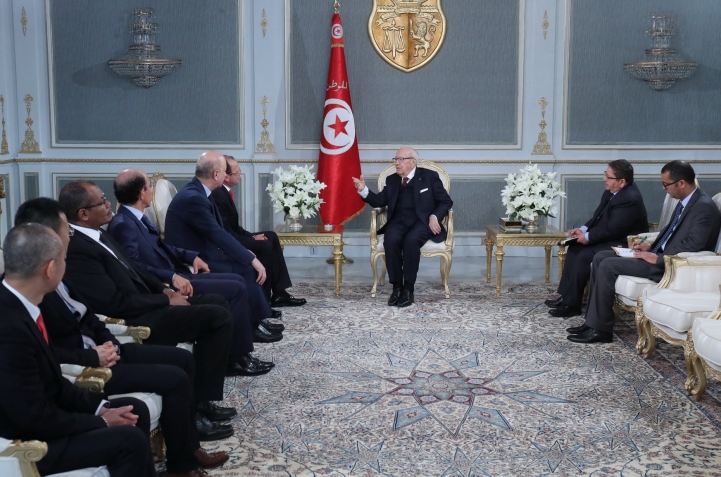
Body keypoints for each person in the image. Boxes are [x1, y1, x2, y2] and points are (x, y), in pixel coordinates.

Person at [15, 198, 236, 450]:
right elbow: (107, 306)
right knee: (195, 344)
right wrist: (94, 356)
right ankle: (187, 452)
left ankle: (193, 437)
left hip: (110, 344)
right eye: (68, 230)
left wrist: (162, 293)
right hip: (105, 347)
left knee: (188, 351)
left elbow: (89, 313)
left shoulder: (87, 246)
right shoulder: (38, 284)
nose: (71, 235)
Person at [57, 180, 238, 426]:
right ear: (83, 214)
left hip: (149, 301)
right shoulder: (78, 249)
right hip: (137, 316)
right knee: (216, 317)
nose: (109, 204)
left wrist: (166, 289)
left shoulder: (100, 234)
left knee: (217, 302)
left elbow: (136, 270)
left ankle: (204, 400)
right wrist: (164, 299)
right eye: (102, 202)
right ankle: (197, 408)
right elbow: (113, 303)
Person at [0, 223, 156, 477]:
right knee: (129, 441)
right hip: (25, 443)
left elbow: (54, 383)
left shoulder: (22, 305)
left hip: (44, 417)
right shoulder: (8, 328)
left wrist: (100, 408)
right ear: (50, 269)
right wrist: (101, 421)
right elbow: (32, 417)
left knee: (132, 409)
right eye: (64, 259)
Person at [108, 169, 282, 373]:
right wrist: (172, 277)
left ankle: (240, 351)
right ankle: (235, 358)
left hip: (178, 272)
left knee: (237, 280)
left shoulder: (135, 218)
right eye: (149, 186)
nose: (152, 190)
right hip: (168, 283)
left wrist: (191, 256)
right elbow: (134, 267)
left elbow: (162, 246)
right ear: (141, 193)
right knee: (236, 288)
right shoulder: (124, 224)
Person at [567, 161, 721, 344]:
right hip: (658, 255)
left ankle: (600, 330)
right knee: (600, 256)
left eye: (666, 184)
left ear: (681, 183)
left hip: (670, 267)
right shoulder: (686, 202)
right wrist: (650, 247)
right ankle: (592, 323)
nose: (663, 188)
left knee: (607, 265)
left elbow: (693, 246)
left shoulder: (703, 207)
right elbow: (672, 235)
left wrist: (657, 257)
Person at [163, 151, 274, 323]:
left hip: (205, 252)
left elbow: (219, 232)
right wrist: (251, 258)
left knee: (246, 264)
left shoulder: (200, 191)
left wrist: (245, 253)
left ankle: (257, 320)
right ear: (216, 174)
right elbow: (218, 234)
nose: (226, 175)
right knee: (246, 267)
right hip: (194, 260)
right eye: (224, 171)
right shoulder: (194, 198)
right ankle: (255, 323)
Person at [352, 147, 453, 307]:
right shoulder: (392, 180)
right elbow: (379, 201)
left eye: (401, 159)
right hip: (398, 222)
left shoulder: (429, 177)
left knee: (411, 240)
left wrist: (434, 216)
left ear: (413, 162)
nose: (397, 163)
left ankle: (408, 290)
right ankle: (397, 288)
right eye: (396, 159)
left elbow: (446, 201)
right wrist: (363, 190)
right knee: (390, 239)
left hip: (422, 222)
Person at [547, 160, 649, 317]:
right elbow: (597, 217)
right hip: (610, 238)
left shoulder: (629, 199)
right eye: (605, 174)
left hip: (623, 243)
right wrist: (582, 230)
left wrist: (588, 237)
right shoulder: (611, 191)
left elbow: (613, 229)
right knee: (574, 247)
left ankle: (572, 306)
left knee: (584, 255)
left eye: (608, 177)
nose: (604, 179)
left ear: (622, 182)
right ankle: (567, 297)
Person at [211, 155, 305, 308]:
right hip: (226, 243)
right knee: (265, 245)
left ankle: (280, 293)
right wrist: (252, 240)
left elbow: (235, 227)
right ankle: (263, 300)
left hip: (234, 236)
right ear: (226, 177)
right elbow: (225, 232)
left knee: (271, 236)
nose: (240, 174)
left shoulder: (224, 192)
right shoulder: (218, 195)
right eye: (237, 172)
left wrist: (251, 236)